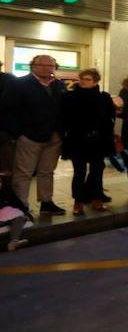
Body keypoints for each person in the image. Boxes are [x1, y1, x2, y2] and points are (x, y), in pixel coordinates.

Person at [2, 55, 68, 216]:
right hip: (29, 137)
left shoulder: (59, 85)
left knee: (47, 171)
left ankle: (46, 202)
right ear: (32, 66)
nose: (47, 68)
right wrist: (18, 133)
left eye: (51, 65)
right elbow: (7, 109)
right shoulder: (19, 84)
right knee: (24, 173)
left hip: (54, 137)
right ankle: (21, 206)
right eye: (42, 65)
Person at [61, 69, 116, 215]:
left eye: (87, 79)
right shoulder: (70, 96)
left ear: (95, 81)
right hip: (77, 140)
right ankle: (78, 201)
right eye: (82, 78)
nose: (83, 81)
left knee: (97, 171)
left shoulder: (104, 97)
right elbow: (65, 117)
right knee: (79, 172)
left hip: (97, 140)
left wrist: (104, 133)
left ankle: (96, 197)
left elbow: (110, 117)